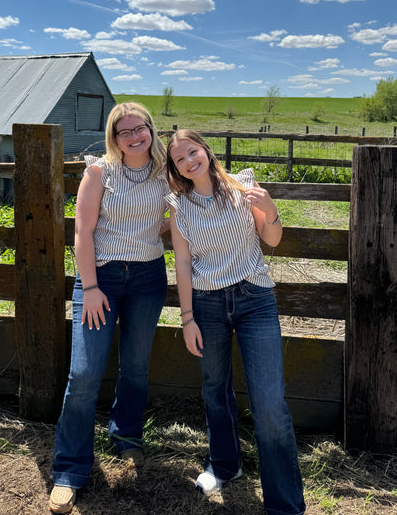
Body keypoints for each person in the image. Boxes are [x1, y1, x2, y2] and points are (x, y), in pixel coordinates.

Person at [166, 130, 305, 515]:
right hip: (206, 304)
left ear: (205, 151)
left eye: (192, 152)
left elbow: (272, 239)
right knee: (215, 388)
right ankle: (226, 465)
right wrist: (187, 318)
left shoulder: (243, 186)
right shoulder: (178, 204)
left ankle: (285, 505)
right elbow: (181, 263)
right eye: (180, 159)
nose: (189, 161)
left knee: (269, 403)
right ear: (175, 167)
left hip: (253, 299)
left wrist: (271, 207)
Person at [50, 102, 169, 514]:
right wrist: (93, 286)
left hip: (149, 279)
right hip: (101, 279)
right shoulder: (99, 172)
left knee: (135, 364)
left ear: (151, 131)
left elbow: (185, 208)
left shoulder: (165, 172)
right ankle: (69, 470)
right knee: (84, 372)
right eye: (125, 132)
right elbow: (82, 232)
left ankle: (127, 436)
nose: (135, 137)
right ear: (113, 137)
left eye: (141, 129)